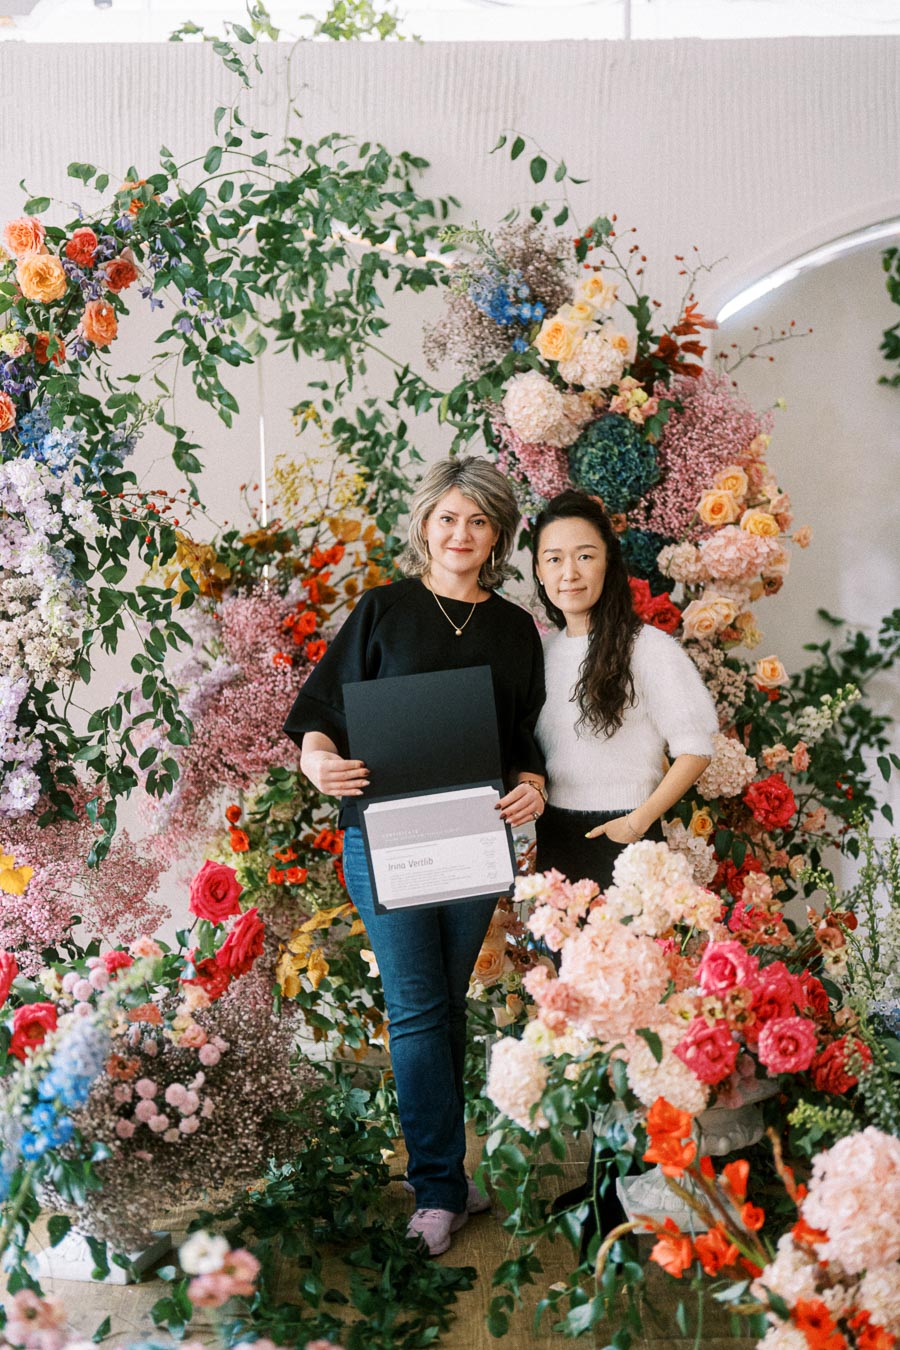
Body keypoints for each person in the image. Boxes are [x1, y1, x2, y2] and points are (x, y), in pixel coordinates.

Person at [284, 456, 546, 1257]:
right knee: (418, 1009)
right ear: (425, 525)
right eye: (447, 518)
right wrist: (317, 762)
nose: (460, 533)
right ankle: (437, 1187)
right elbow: (318, 713)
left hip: (473, 836)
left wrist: (531, 783)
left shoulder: (513, 629)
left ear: (496, 533)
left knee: (442, 1005)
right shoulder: (383, 610)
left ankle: (446, 1175)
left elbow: (522, 737)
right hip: (382, 838)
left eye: (477, 520)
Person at [531, 489, 717, 1251]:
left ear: (609, 562)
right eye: (552, 559)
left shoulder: (648, 648)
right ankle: (605, 1180)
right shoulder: (539, 652)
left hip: (625, 847)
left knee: (634, 1027)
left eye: (584, 555)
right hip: (556, 852)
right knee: (580, 1028)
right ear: (537, 571)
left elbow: (696, 742)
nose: (568, 572)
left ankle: (637, 1186)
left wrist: (642, 820)